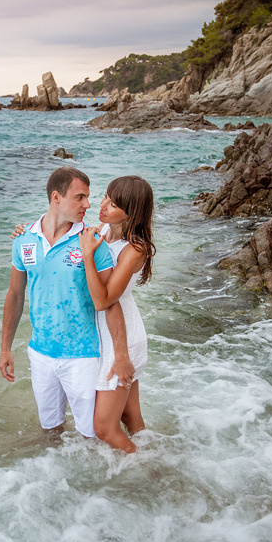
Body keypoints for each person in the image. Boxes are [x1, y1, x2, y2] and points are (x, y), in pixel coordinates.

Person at [0, 166, 134, 439]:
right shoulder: (24, 239)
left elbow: (109, 302)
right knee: (50, 431)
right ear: (56, 197)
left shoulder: (92, 242)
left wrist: (121, 356)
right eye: (80, 197)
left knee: (91, 436)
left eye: (88, 197)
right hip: (40, 353)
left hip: (83, 356)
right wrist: (5, 348)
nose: (88, 204)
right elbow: (15, 294)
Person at [77, 175, 156, 453]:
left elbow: (104, 301)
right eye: (105, 197)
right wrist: (23, 232)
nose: (103, 205)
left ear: (131, 212)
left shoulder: (135, 250)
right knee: (129, 415)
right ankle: (157, 464)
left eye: (113, 203)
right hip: (103, 332)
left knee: (104, 428)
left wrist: (88, 255)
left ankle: (145, 469)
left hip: (121, 338)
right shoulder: (104, 230)